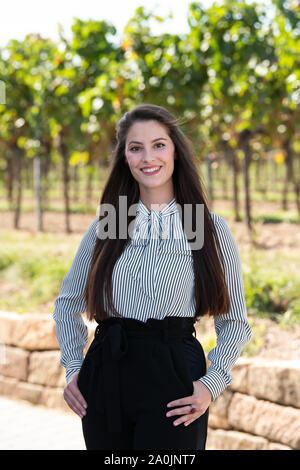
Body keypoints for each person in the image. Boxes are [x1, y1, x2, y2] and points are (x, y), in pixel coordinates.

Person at [53, 103, 252, 450]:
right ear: (125, 159)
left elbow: (234, 321)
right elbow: (67, 303)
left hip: (174, 378)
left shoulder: (204, 226)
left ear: (175, 151)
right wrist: (73, 367)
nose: (148, 157)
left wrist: (211, 383)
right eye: (136, 147)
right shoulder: (109, 225)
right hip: (107, 375)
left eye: (159, 144)